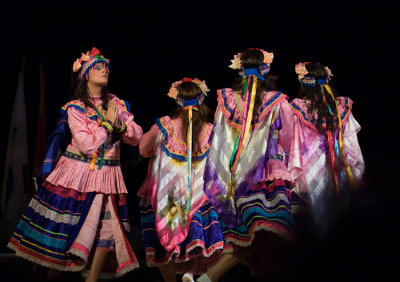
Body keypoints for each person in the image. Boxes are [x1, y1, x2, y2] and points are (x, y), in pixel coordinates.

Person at [7, 47, 143, 281]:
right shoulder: (76, 108)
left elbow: (136, 136)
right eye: (98, 67)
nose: (104, 70)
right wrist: (108, 126)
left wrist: (119, 125)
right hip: (77, 175)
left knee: (106, 233)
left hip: (108, 176)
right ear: (86, 74)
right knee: (65, 231)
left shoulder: (116, 103)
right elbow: (86, 144)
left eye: (106, 67)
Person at [198, 48, 296, 282]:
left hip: (236, 178)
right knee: (273, 234)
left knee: (251, 237)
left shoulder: (226, 101)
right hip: (268, 177)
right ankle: (208, 278)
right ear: (267, 70)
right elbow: (288, 138)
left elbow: (218, 141)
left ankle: (206, 278)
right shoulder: (278, 102)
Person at [137, 78, 225, 282]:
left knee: (163, 239)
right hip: (199, 196)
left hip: (167, 198)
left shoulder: (164, 126)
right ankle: (190, 273)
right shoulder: (210, 130)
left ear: (177, 100)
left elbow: (143, 149)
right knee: (198, 238)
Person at [288, 62, 365, 235]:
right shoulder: (340, 109)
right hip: (337, 172)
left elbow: (290, 142)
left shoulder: (297, 108)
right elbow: (351, 145)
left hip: (308, 172)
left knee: (310, 232)